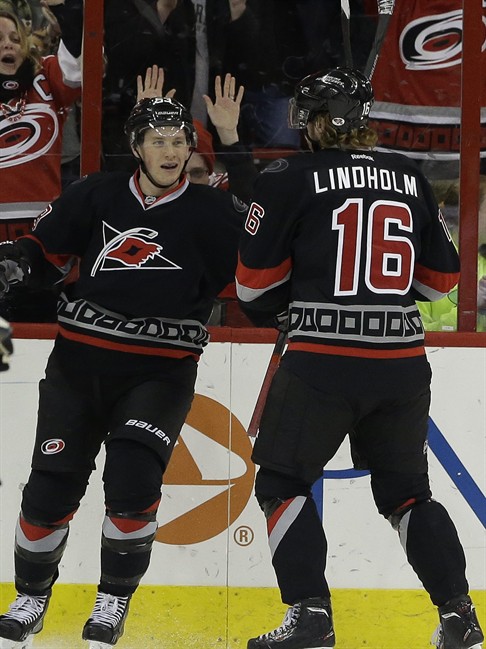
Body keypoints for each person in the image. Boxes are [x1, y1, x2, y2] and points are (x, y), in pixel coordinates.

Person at [235, 67, 484, 649]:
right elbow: (443, 281)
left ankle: (311, 617)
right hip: (400, 361)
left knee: (281, 481)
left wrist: (296, 300)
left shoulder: (286, 176)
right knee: (407, 494)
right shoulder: (407, 174)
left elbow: (252, 287)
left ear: (319, 122)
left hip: (321, 359)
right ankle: (459, 615)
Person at [0, 96, 244, 647]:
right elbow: (45, 254)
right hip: (79, 365)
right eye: (157, 140)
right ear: (136, 148)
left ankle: (113, 600)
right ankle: (32, 597)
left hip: (160, 372)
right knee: (51, 485)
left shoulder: (212, 210)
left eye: (179, 141)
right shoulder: (95, 192)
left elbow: (259, 255)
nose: (171, 150)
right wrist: (15, 264)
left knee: (133, 483)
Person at [0, 1, 83, 322]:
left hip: (39, 232)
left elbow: (77, 68)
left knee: (37, 324)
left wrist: (68, 8)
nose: (8, 43)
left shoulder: (44, 79)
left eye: (15, 38)